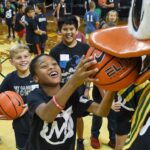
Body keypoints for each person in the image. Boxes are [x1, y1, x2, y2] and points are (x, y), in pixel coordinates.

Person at [26, 53, 114, 150]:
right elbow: (48, 115)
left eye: (54, 64)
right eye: (44, 66)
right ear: (35, 78)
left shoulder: (73, 94)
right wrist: (73, 81)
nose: (51, 67)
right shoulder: (34, 96)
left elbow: (101, 111)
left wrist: (113, 87)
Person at [49, 15, 90, 150]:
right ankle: (63, 139)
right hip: (62, 91)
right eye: (64, 29)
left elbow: (90, 71)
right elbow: (51, 74)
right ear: (60, 31)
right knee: (61, 117)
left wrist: (87, 89)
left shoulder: (85, 48)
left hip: (79, 90)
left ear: (77, 30)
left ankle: (80, 140)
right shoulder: (55, 51)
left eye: (71, 28)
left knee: (78, 117)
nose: (68, 32)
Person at [0, 44, 39, 150]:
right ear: (12, 62)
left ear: (30, 58)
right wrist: (5, 111)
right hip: (21, 126)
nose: (23, 60)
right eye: (18, 57)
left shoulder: (39, 75)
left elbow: (49, 94)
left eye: (26, 56)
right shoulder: (10, 79)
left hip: (40, 123)